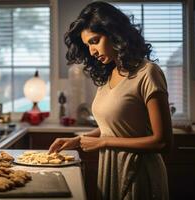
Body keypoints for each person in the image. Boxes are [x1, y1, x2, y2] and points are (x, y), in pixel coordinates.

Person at [49, 1, 173, 200]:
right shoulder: (109, 75)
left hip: (139, 174)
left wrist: (104, 143)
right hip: (110, 170)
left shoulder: (148, 73)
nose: (92, 51)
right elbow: (114, 126)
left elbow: (163, 142)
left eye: (95, 41)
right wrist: (79, 140)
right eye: (88, 45)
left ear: (115, 33)